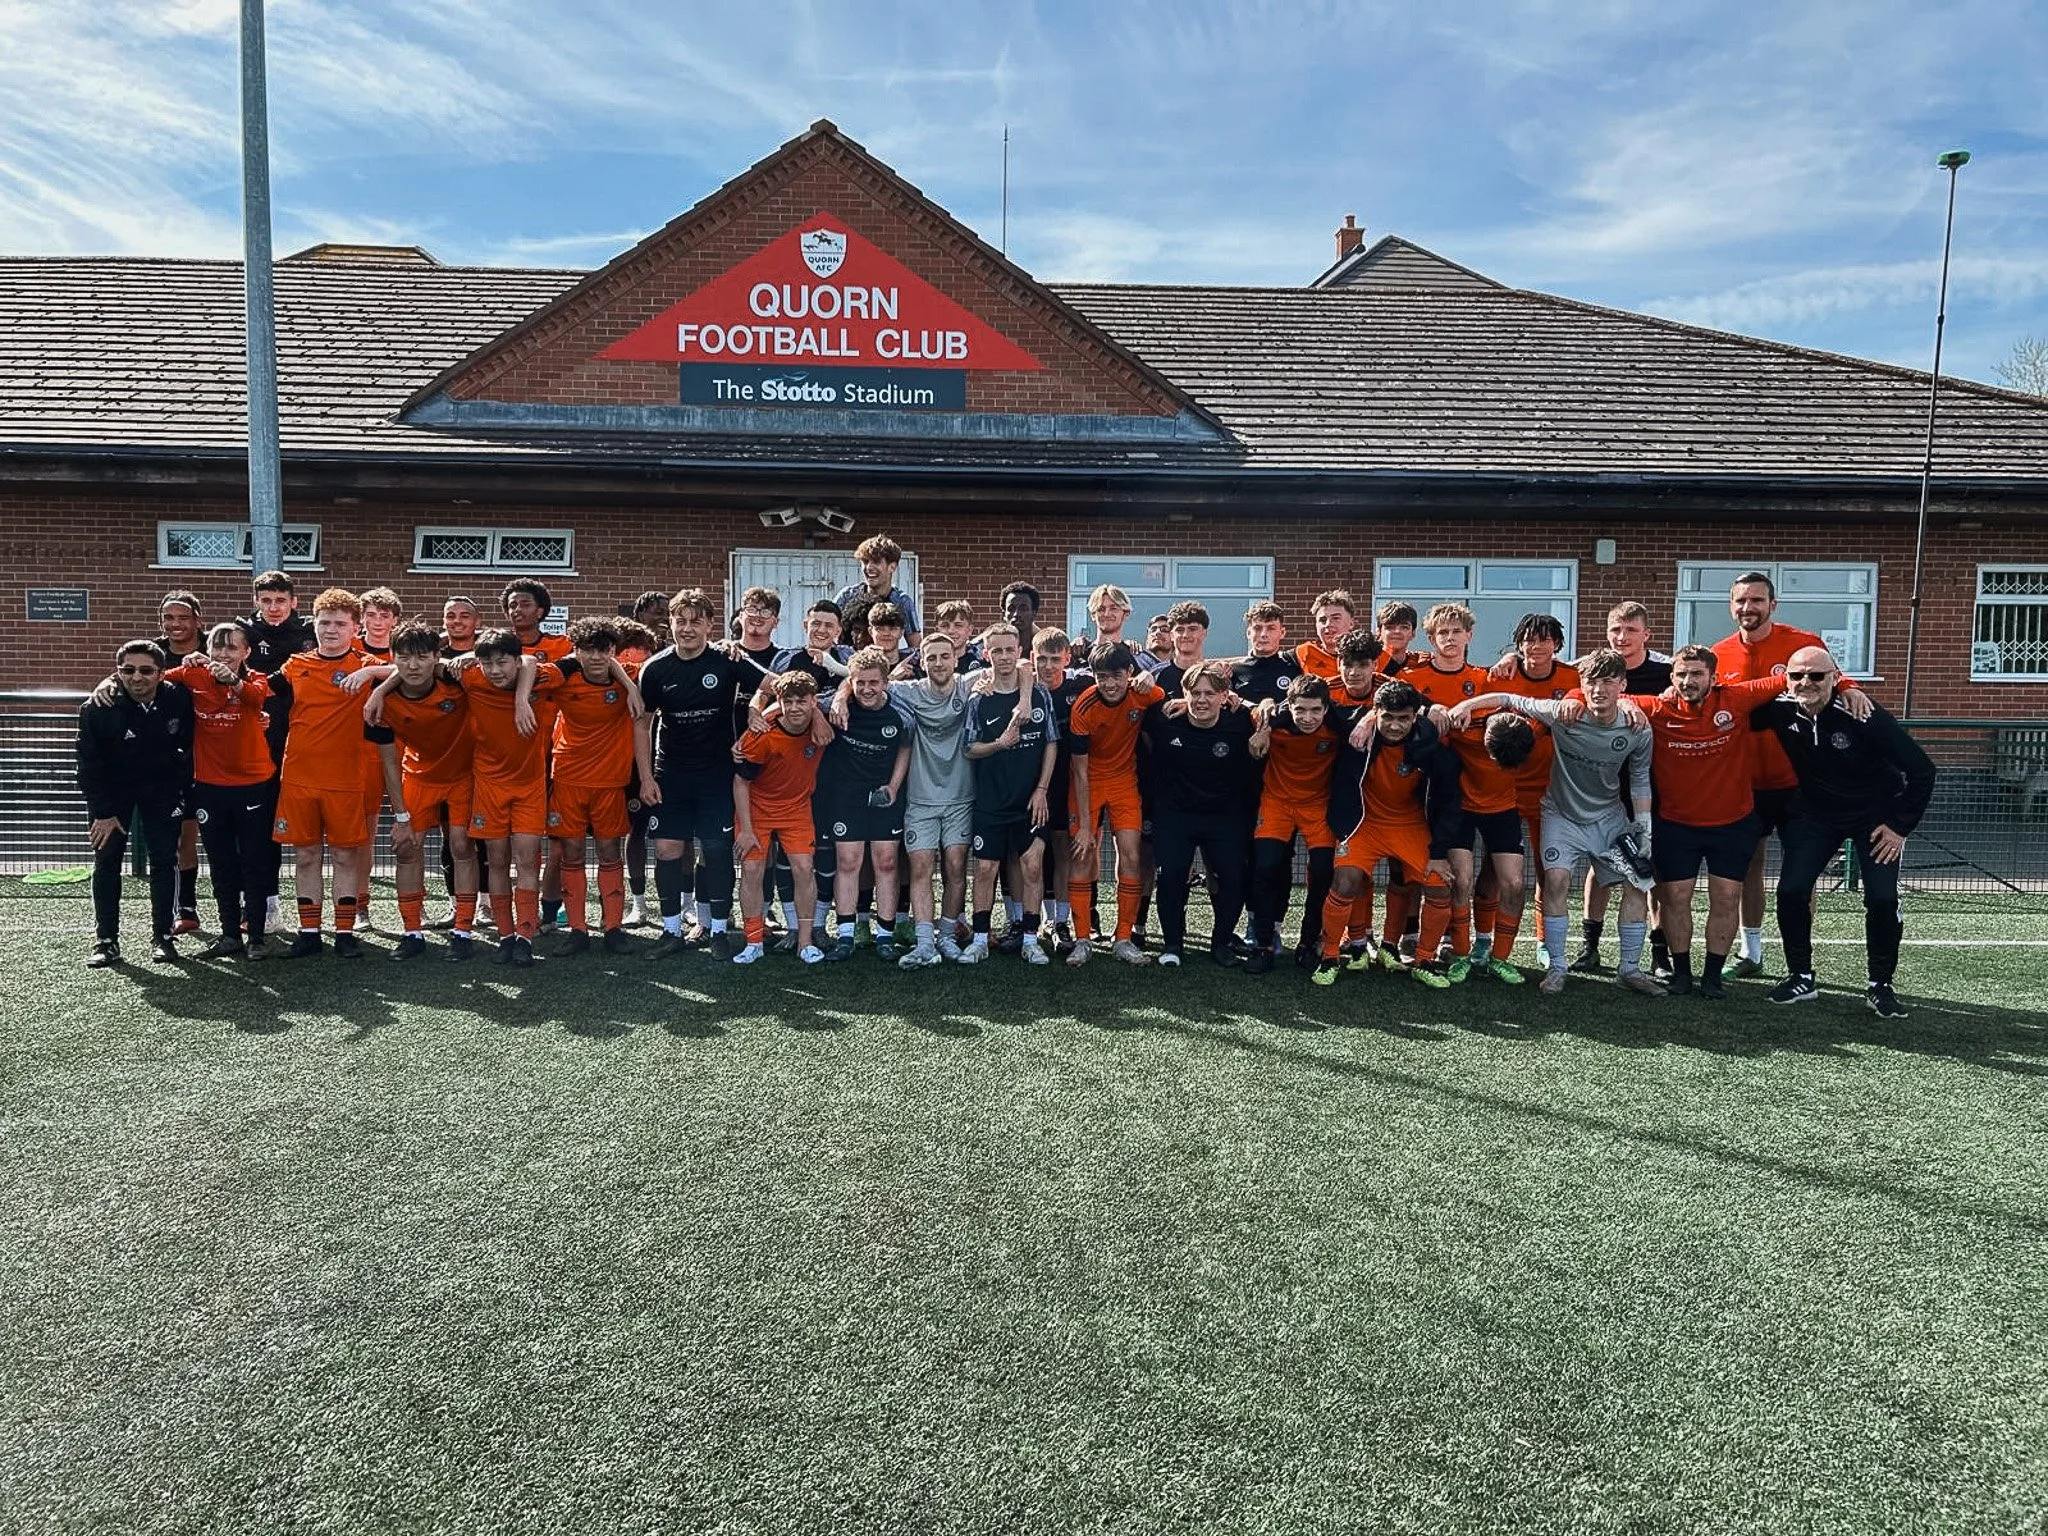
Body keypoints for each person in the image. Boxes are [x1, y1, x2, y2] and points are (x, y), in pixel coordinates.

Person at [1623, 644, 1862, 999]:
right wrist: (1627, 704)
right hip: (1676, 824)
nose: (1688, 681)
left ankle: (1713, 977)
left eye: (1697, 674)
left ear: (1714, 678)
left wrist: (1846, 686)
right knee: (1675, 898)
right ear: (1671, 678)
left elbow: (1795, 677)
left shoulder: (1735, 698)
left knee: (1726, 897)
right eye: (1682, 675)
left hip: (1732, 824)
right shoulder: (1656, 708)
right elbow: (1598, 695)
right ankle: (1683, 974)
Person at [1448, 649, 1660, 996]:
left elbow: (1638, 778)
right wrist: (1465, 707)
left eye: (1608, 681)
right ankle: (1558, 967)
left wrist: (1644, 827)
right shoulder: (1562, 715)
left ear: (1623, 685)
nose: (1599, 689)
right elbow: (1508, 698)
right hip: (1560, 815)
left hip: (1609, 817)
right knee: (1556, 881)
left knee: (1638, 884)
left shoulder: (1636, 727)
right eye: (1591, 681)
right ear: (1581, 683)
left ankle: (1629, 969)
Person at [1750, 647, 1936, 1017]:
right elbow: (1732, 707)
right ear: (1785, 679)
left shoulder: (1862, 714)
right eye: (1797, 675)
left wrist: (1899, 827)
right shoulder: (1780, 709)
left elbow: (1923, 770)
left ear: (1835, 678)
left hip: (1876, 817)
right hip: (1816, 815)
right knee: (1790, 890)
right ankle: (1800, 976)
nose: (1806, 683)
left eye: (1816, 676)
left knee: (1881, 899)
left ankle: (1880, 984)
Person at [1310, 678, 1460, 988]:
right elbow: (1315, 703)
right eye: (1387, 717)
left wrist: (1439, 852)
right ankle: (1329, 956)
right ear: (1375, 712)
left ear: (1415, 716)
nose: (1394, 726)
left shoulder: (1431, 748)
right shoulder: (1357, 731)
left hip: (1409, 824)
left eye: (1403, 718)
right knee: (1346, 882)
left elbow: (1448, 803)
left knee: (1438, 885)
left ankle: (1423, 960)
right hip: (1362, 823)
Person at [1713, 571, 1825, 978]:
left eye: (1757, 600)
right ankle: (1752, 953)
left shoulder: (1803, 645)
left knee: (1802, 872)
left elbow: (1831, 680)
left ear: (1773, 605)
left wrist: (1851, 687)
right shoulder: (1719, 654)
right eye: (1741, 601)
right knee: (1749, 868)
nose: (1748, 608)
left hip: (1798, 781)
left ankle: (1801, 962)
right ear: (1731, 606)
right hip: (1745, 782)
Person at [634, 589, 756, 960]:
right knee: (669, 850)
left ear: (708, 624)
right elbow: (643, 725)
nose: (687, 628)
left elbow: (774, 684)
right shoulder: (655, 667)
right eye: (680, 621)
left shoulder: (727, 660)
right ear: (670, 624)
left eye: (695, 621)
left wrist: (754, 710)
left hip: (716, 775)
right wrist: (646, 778)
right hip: (670, 773)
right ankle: (671, 930)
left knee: (716, 850)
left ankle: (718, 929)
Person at [362, 621, 479, 961]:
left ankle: (463, 930)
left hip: (464, 775)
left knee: (461, 845)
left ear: (436, 658)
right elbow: (388, 764)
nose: (413, 666)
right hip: (418, 776)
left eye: (422, 658)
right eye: (404, 657)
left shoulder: (453, 679)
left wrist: (379, 686)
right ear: (392, 657)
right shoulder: (381, 704)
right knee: (406, 847)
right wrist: (399, 817)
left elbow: (510, 662)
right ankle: (412, 931)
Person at [270, 588, 377, 958]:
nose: (331, 630)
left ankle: (344, 931)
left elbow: (413, 670)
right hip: (300, 776)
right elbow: (256, 690)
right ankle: (310, 932)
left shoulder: (367, 665)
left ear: (355, 627)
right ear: (314, 624)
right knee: (306, 856)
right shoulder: (295, 665)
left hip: (347, 779)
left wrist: (374, 674)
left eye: (340, 623)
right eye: (324, 622)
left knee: (346, 857)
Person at [1407, 602, 1510, 980]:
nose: (1449, 639)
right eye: (1441, 633)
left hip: (1478, 787)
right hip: (1424, 786)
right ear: (1431, 639)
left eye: (1456, 632)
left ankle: (1463, 940)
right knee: (1424, 864)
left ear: (1469, 636)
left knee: (1477, 871)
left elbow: (1511, 704)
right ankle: (1411, 933)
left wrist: (1512, 656)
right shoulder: (1413, 678)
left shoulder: (1486, 680)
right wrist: (1426, 708)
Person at [1570, 601, 1673, 971]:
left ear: (1647, 634)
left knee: (1651, 867)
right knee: (1600, 864)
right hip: (1602, 784)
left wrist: (1634, 704)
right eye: (1616, 629)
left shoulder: (1668, 671)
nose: (1622, 637)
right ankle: (1590, 947)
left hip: (1651, 783)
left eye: (1631, 630)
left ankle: (1660, 953)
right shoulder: (1591, 669)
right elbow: (1564, 688)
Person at [77, 641, 193, 967]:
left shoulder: (177, 699)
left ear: (160, 673)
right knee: (107, 861)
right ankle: (106, 941)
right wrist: (102, 812)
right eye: (127, 670)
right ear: (117, 673)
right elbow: (88, 765)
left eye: (145, 670)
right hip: (113, 797)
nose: (136, 678)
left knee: (163, 861)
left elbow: (187, 747)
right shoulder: (98, 708)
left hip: (162, 791)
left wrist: (181, 791)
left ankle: (163, 937)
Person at [170, 622, 278, 959]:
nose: (223, 654)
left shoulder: (257, 678)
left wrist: (233, 680)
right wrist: (109, 682)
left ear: (246, 652)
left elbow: (256, 697)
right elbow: (153, 680)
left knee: (255, 862)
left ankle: (257, 937)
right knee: (220, 864)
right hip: (210, 786)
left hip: (254, 784)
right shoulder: (194, 675)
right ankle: (230, 934)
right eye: (218, 647)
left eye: (232, 648)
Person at [1141, 660, 1259, 968]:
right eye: (1195, 693)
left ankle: (1221, 943)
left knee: (1233, 877)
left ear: (1225, 695)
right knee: (1170, 878)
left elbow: (1272, 709)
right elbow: (1133, 706)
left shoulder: (1241, 721)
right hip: (1175, 815)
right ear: (1184, 694)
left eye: (1209, 693)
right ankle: (1172, 945)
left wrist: (1258, 719)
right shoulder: (1165, 718)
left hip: (1223, 816)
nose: (1201, 699)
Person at [545, 617, 644, 956]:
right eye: (588, 650)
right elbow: (529, 666)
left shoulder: (630, 675)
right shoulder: (562, 677)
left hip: (610, 784)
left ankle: (613, 927)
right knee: (570, 854)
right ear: (577, 652)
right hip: (568, 779)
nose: (597, 658)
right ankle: (577, 929)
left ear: (613, 652)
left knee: (609, 852)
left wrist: (629, 688)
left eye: (604, 650)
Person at [961, 624, 1058, 965]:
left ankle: (1031, 939)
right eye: (996, 651)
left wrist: (1042, 790)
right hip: (990, 802)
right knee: (985, 870)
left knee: (1033, 867)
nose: (1003, 656)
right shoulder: (979, 699)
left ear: (1019, 652)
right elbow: (969, 749)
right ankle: (980, 939)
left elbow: (1050, 743)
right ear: (987, 655)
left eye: (1009, 650)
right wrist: (999, 744)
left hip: (1030, 801)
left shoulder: (1039, 694)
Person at [880, 632, 977, 966]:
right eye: (931, 657)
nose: (938, 663)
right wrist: (891, 676)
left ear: (955, 659)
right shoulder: (909, 691)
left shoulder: (969, 685)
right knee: (921, 867)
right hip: (920, 799)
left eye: (944, 657)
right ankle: (924, 943)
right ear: (922, 661)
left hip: (960, 798)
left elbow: (1023, 665)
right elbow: (865, 683)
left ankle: (947, 937)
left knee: (955, 867)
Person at [460, 629, 553, 966]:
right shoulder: (469, 676)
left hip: (529, 787)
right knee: (496, 860)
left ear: (515, 661)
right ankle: (505, 936)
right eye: (487, 663)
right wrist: (374, 682)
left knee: (528, 860)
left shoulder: (540, 676)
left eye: (502, 662)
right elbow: (409, 668)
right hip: (488, 786)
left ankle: (526, 936)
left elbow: (533, 660)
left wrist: (520, 699)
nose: (495, 670)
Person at [1066, 642, 1161, 966]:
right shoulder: (1084, 706)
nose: (1109, 683)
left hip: (1124, 782)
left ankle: (1123, 938)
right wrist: (1084, 828)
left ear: (1129, 673)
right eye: (1101, 676)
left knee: (1132, 855)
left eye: (1116, 676)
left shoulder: (1144, 692)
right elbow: (1078, 769)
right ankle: (1082, 939)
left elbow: (1175, 703)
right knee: (1082, 852)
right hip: (1088, 782)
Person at [814, 647, 911, 961]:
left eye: (873, 682)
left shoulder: (901, 712)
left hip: (885, 796)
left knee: (886, 863)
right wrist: (823, 712)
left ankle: (885, 936)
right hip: (846, 797)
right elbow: (807, 702)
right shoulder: (837, 704)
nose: (867, 689)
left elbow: (905, 748)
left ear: (885, 682)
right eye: (860, 683)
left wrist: (894, 787)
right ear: (850, 682)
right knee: (848, 863)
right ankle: (845, 936)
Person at [732, 672, 833, 965]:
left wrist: (820, 717)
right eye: (788, 701)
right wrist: (746, 830)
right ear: (779, 702)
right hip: (757, 810)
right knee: (752, 870)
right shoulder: (762, 735)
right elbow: (741, 782)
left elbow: (845, 693)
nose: (795, 708)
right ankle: (753, 940)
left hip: (796, 809)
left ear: (814, 702)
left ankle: (805, 942)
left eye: (802, 701)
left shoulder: (822, 722)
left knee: (804, 868)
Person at [1246, 676, 1342, 974]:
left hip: (1318, 807)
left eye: (1315, 710)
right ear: (1290, 706)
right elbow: (1244, 704)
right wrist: (1262, 725)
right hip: (1277, 803)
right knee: (1265, 867)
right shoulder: (1273, 721)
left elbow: (1370, 717)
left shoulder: (1340, 724)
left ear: (1326, 708)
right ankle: (1262, 944)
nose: (1308, 717)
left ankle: (1308, 941)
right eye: (1301, 710)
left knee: (1325, 871)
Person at [1031, 627, 1090, 952]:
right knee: (1033, 854)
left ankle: (1061, 922)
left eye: (1055, 658)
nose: (1049, 665)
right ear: (1032, 659)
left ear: (1067, 658)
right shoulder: (1024, 688)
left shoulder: (1081, 686)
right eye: (1042, 658)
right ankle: (1034, 919)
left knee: (1063, 849)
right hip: (1031, 785)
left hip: (1067, 782)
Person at [153, 590, 206, 934]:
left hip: (215, 753)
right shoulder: (155, 653)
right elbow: (129, 675)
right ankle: (185, 906)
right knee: (181, 836)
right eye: (169, 618)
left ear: (198, 621)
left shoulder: (216, 647)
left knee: (225, 837)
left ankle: (247, 908)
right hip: (171, 758)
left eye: (182, 618)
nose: (175, 625)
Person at [833, 535, 922, 650]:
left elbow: (915, 645)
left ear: (892, 567)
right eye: (865, 562)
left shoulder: (902, 601)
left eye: (876, 561)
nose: (869, 567)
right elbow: (828, 629)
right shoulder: (847, 596)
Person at [1294, 591, 1356, 681]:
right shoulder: (1304, 653)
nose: (1328, 624)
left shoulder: (1370, 655)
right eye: (1322, 620)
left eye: (1336, 618)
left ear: (1351, 623)